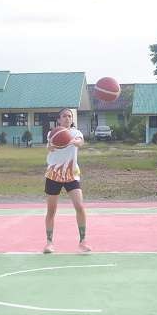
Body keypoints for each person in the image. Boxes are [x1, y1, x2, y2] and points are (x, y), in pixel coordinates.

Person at [43, 108, 91, 254]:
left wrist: (74, 141)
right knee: (51, 211)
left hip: (71, 175)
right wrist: (52, 145)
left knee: (80, 206)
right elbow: (50, 146)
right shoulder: (53, 133)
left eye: (69, 116)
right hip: (54, 174)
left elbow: (80, 142)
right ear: (59, 119)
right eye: (64, 116)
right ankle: (49, 243)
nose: (67, 118)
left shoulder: (76, 133)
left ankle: (82, 241)